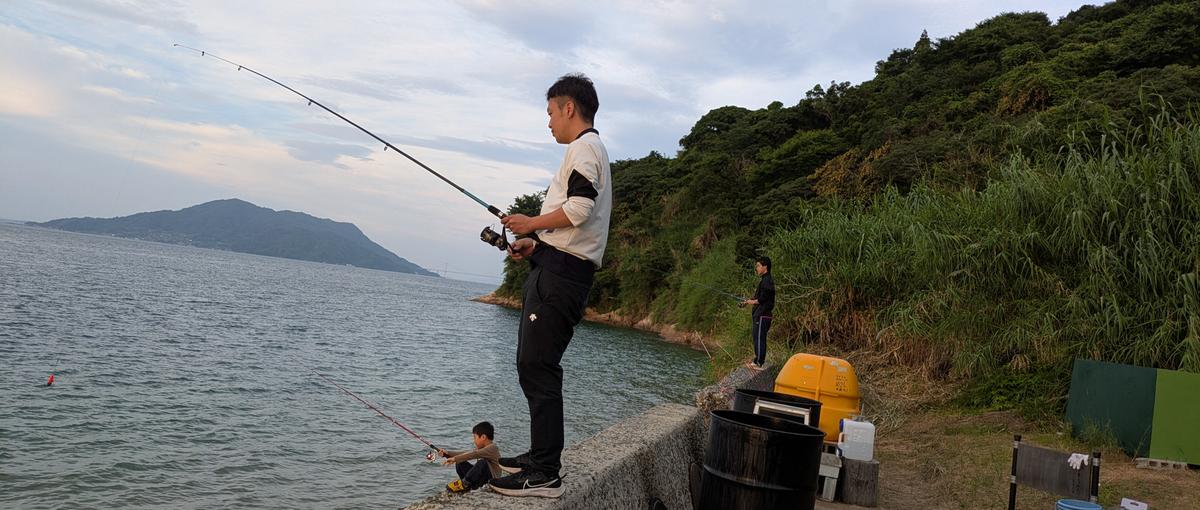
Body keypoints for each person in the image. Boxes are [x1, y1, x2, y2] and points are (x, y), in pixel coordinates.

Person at [490, 73, 611, 498]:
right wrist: (534, 245)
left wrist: (531, 223)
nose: (548, 123)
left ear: (569, 108)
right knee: (534, 364)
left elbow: (578, 209)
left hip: (561, 278)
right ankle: (540, 457)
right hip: (557, 268)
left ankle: (544, 474)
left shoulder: (584, 147)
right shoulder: (589, 149)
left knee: (538, 367)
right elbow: (575, 229)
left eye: (550, 113)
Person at [439, 421, 502, 493]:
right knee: (460, 461)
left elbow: (474, 454)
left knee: (482, 463)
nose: (474, 440)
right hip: (481, 480)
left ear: (483, 437)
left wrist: (455, 458)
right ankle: (466, 485)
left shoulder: (492, 448)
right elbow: (465, 454)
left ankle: (464, 484)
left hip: (490, 480)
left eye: (475, 437)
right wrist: (447, 454)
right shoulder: (482, 449)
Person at [741, 256, 775, 370]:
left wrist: (751, 302)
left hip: (763, 315)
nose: (757, 268)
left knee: (760, 338)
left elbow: (762, 299)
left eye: (758, 266)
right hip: (760, 314)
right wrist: (747, 302)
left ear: (765, 267)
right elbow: (758, 297)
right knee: (757, 337)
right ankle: (757, 361)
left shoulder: (767, 281)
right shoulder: (764, 281)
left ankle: (759, 362)